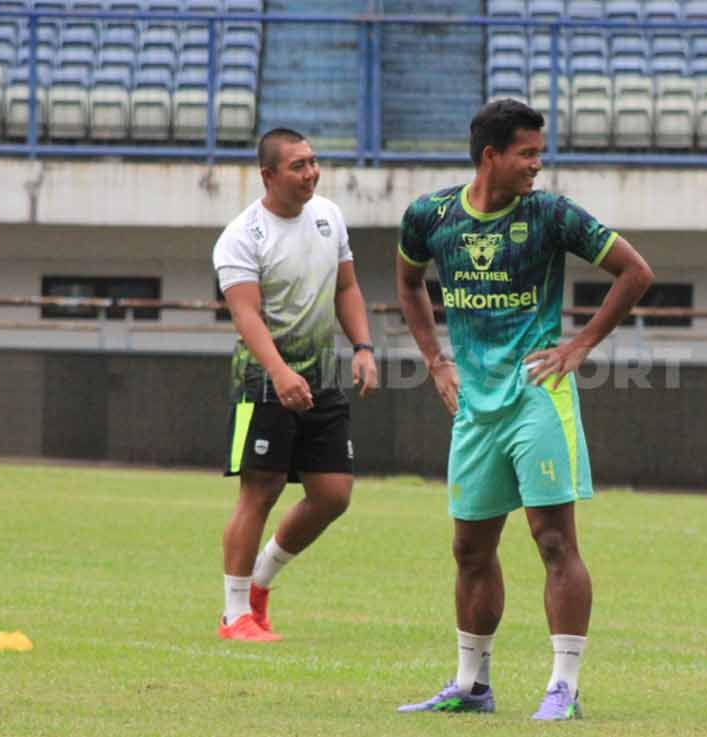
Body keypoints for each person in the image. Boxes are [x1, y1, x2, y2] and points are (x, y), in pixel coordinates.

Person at [393, 100, 654, 720]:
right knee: (470, 550)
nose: (539, 164)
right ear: (491, 156)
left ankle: (564, 687)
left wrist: (579, 345)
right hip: (475, 409)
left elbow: (635, 272)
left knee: (554, 541)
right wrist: (435, 360)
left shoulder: (551, 214)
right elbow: (407, 283)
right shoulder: (428, 216)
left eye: (540, 153)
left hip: (538, 397)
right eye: (528, 154)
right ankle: (472, 685)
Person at [211, 127, 379, 642]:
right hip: (263, 380)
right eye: (298, 166)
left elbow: (347, 286)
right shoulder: (241, 236)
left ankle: (260, 583)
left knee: (333, 495)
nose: (311, 173)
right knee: (258, 491)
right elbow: (247, 316)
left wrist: (364, 348)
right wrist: (280, 374)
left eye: (313, 162)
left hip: (322, 377)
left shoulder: (329, 217)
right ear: (268, 176)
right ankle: (234, 614)